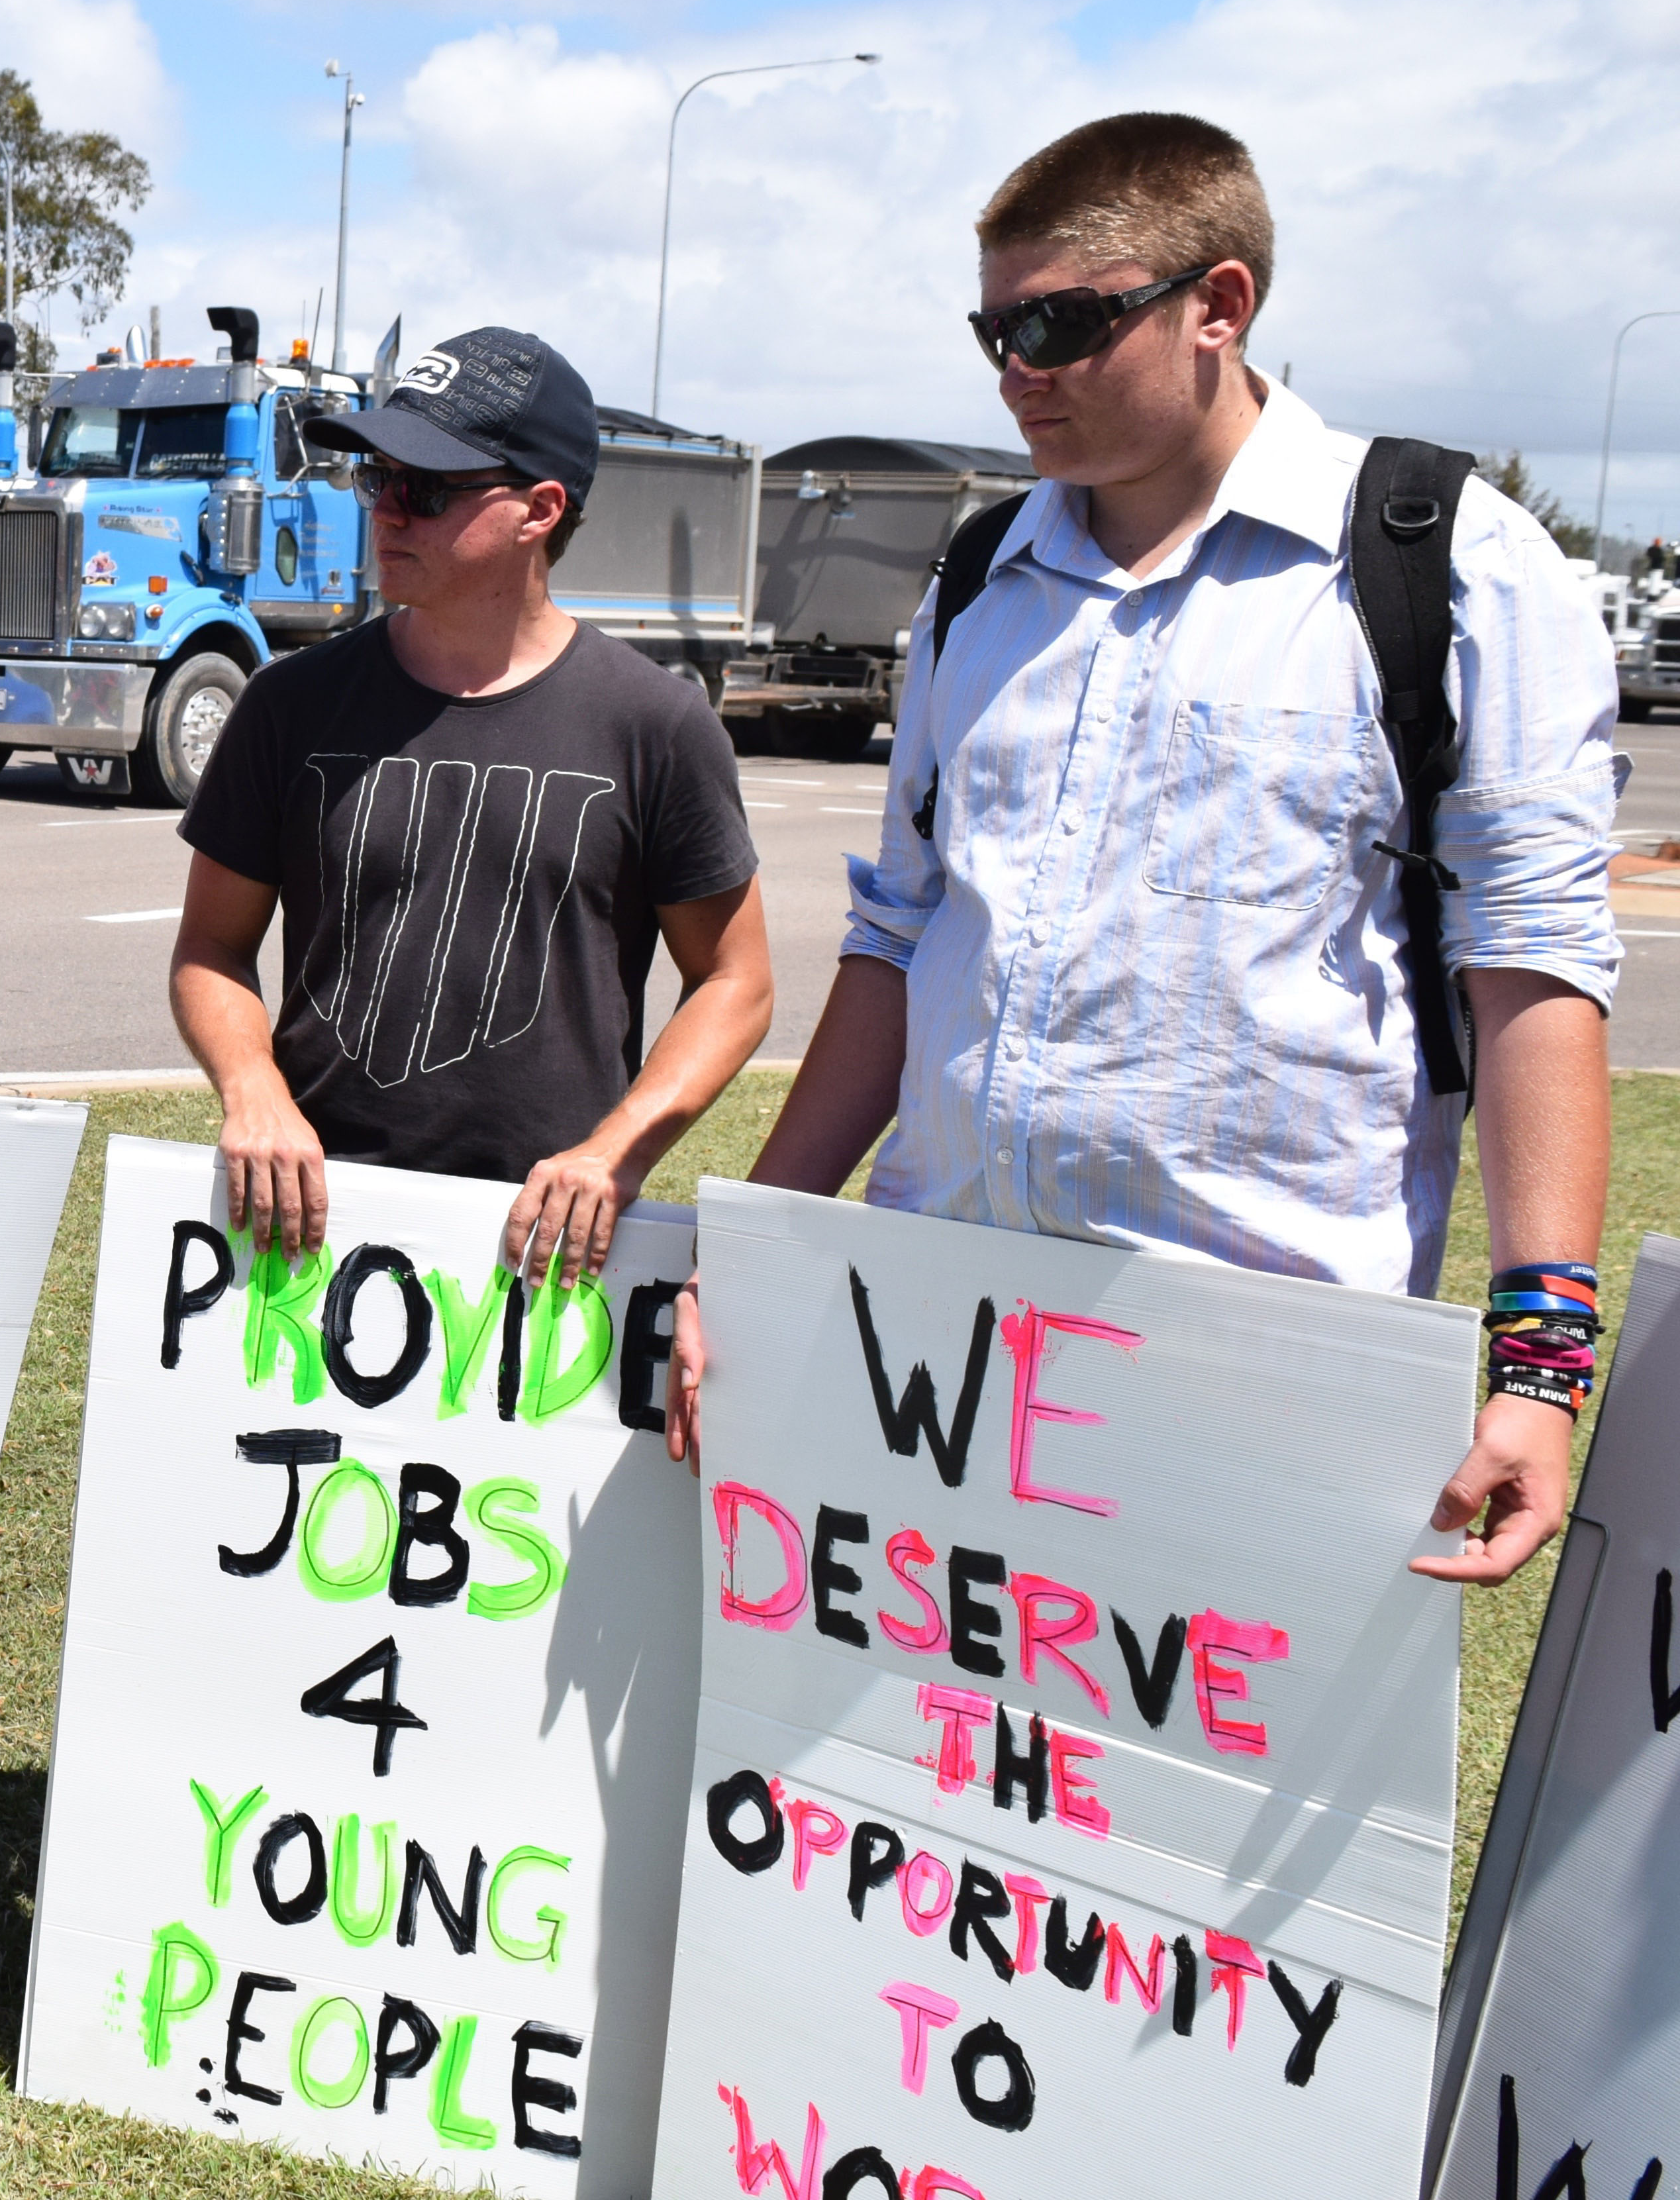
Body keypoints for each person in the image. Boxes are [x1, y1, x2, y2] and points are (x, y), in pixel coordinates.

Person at [670, 113, 1619, 1593]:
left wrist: (1542, 1363)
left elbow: (1535, 969)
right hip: (939, 1350)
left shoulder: (1452, 565)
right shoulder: (980, 581)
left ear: (1218, 307)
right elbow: (900, 936)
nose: (1016, 370)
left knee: (1201, 1819)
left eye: (1061, 321)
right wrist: (759, 1242)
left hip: (1266, 1374)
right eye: (993, 330)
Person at [169, 325, 772, 1280]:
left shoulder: (656, 723)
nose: (387, 513)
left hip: (547, 1250)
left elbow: (737, 983)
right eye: (376, 478)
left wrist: (616, 1152)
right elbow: (210, 948)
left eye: (425, 488)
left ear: (539, 510)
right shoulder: (289, 704)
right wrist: (254, 1092)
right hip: (313, 1224)